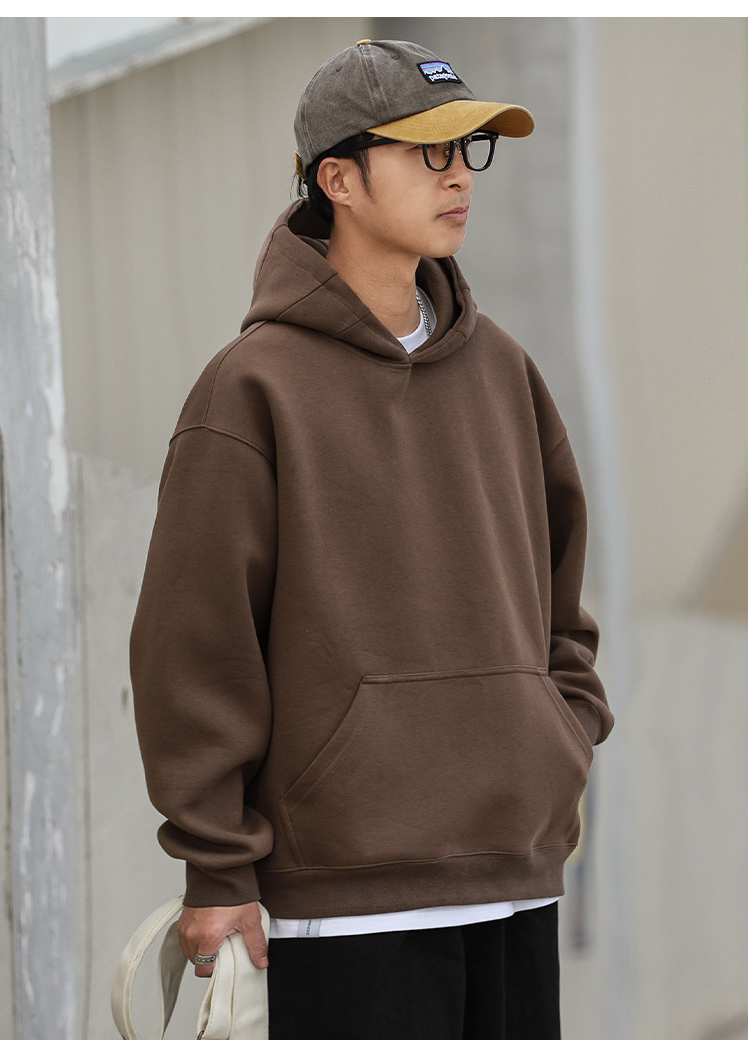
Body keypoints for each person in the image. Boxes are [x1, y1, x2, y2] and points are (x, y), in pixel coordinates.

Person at [130, 38, 613, 1040]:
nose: (458, 175)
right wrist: (217, 866)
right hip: (346, 906)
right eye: (427, 150)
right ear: (337, 179)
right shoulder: (251, 388)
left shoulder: (505, 372)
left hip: (516, 878)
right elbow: (194, 643)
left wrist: (556, 734)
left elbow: (562, 598)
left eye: (469, 149)